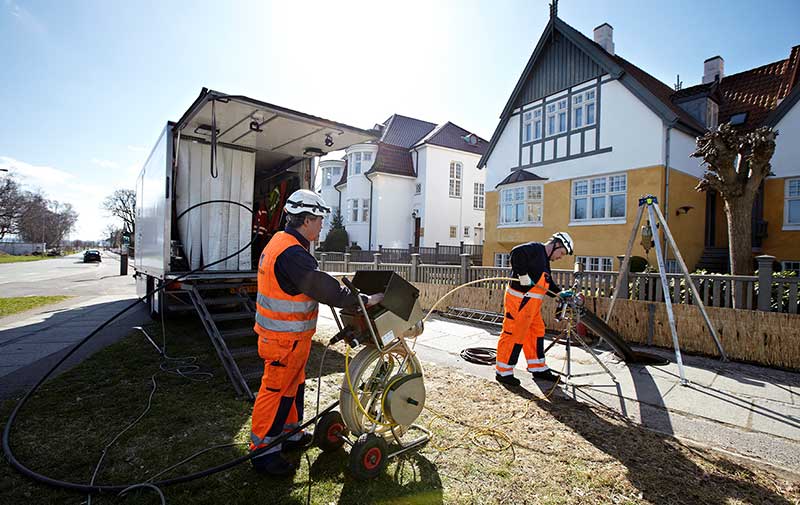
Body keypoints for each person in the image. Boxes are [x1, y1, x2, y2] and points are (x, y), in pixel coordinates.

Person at [249, 189, 383, 477]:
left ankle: (290, 434)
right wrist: (362, 300)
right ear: (307, 219)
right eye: (319, 219)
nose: (322, 225)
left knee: (293, 387)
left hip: (289, 339)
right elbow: (321, 287)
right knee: (275, 392)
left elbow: (313, 281)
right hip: (282, 340)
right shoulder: (292, 253)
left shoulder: (281, 243)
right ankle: (263, 452)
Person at [495, 232, 575, 386]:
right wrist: (522, 274)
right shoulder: (535, 249)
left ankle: (537, 367)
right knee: (513, 334)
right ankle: (503, 371)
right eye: (562, 253)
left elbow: (547, 282)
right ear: (556, 245)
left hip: (532, 307)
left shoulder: (544, 261)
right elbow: (516, 252)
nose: (560, 257)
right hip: (519, 302)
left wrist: (559, 293)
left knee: (536, 331)